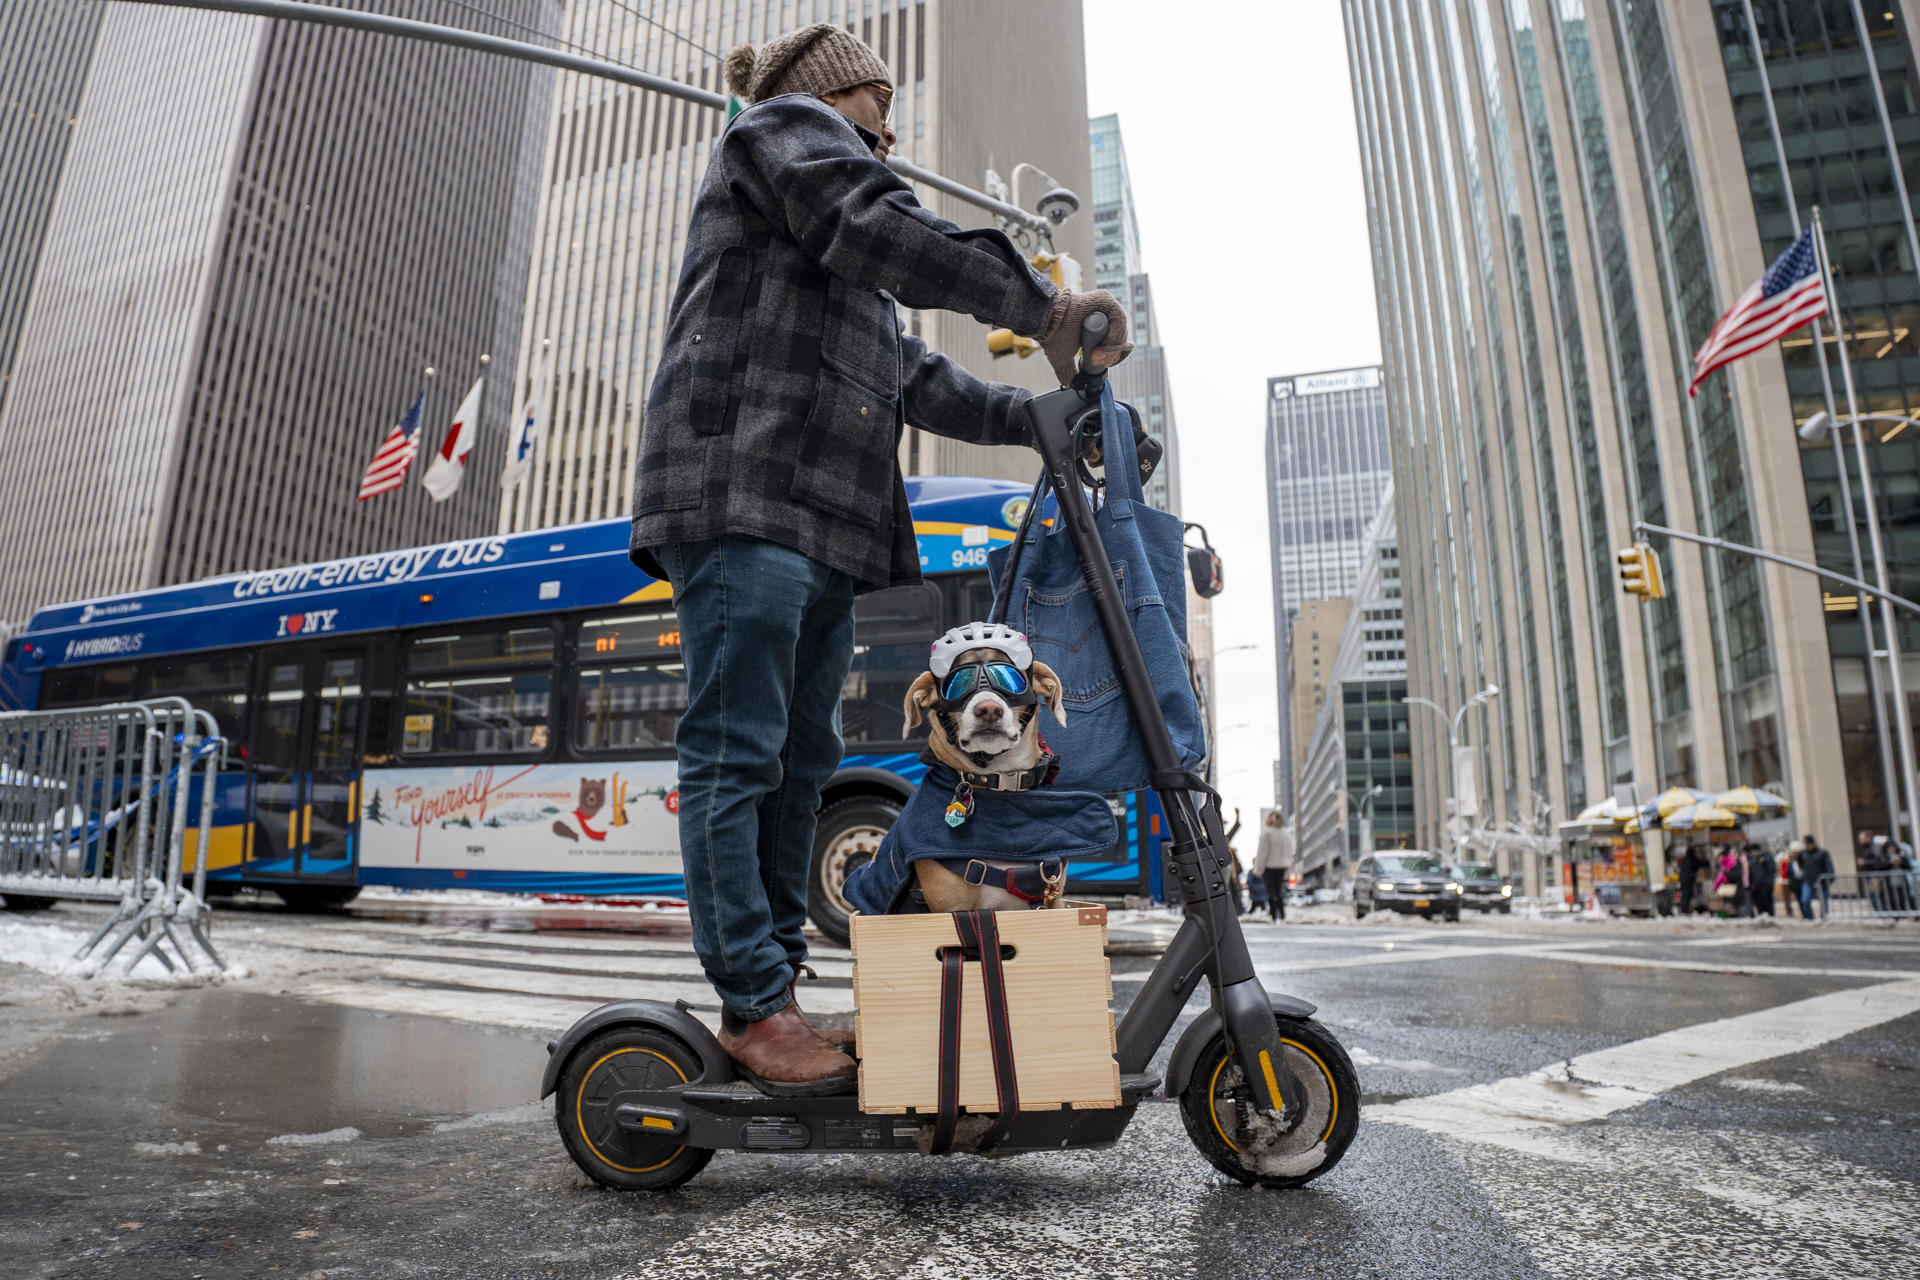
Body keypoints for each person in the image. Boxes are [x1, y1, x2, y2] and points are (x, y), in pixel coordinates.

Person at [628, 23, 1132, 1095]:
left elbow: (915, 376)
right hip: (741, 492)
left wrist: (1045, 419)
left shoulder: (835, 258)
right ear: (827, 97)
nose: (893, 127)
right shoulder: (783, 135)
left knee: (802, 759)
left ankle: (772, 991)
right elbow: (877, 222)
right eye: (877, 102)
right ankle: (754, 1001)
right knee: (738, 751)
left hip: (817, 518)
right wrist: (1039, 306)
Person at [1251, 810, 1295, 922]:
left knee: (1271, 891)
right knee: (1279, 890)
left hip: (1270, 866)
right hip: (1282, 866)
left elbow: (1262, 853)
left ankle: (1274, 916)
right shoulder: (1286, 833)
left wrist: (1258, 870)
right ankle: (1282, 914)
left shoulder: (1267, 833)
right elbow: (1290, 852)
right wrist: (1288, 868)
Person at [1797, 834, 1833, 920]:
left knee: (1824, 902)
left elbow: (1829, 866)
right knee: (1805, 900)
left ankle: (1824, 918)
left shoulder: (1822, 853)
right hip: (1808, 881)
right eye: (1806, 844)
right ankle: (1810, 918)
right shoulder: (1802, 853)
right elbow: (1801, 864)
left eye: (1809, 844)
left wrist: (1830, 878)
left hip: (1821, 881)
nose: (1808, 846)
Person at [1750, 842, 1777, 917]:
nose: (1752, 853)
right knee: (1759, 903)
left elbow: (1772, 870)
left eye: (1753, 851)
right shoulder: (1753, 859)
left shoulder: (1766, 857)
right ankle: (1762, 917)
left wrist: (1769, 883)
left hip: (1766, 885)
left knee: (1767, 902)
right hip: (1757, 886)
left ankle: (1771, 917)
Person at [1678, 845, 1704, 916]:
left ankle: (1683, 908)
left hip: (1682, 879)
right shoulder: (1693, 859)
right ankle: (1685, 909)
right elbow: (1700, 864)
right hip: (1689, 880)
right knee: (1688, 894)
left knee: (1684, 894)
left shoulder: (1684, 860)